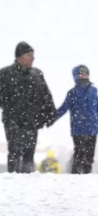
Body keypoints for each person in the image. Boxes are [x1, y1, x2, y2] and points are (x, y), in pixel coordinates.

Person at [0, 42, 57, 173]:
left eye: (33, 55)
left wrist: (50, 114)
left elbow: (46, 97)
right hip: (12, 121)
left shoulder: (37, 75)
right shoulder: (5, 74)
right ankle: (13, 181)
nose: (33, 58)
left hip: (32, 121)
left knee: (29, 154)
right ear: (19, 57)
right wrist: (9, 109)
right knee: (14, 151)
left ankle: (27, 182)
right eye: (29, 55)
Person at [53, 65, 98, 174]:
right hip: (78, 130)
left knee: (89, 158)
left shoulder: (93, 91)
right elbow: (63, 108)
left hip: (92, 129)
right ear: (76, 76)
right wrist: (51, 118)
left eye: (86, 73)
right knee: (79, 156)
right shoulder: (72, 93)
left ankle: (87, 180)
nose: (84, 75)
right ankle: (74, 179)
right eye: (81, 73)